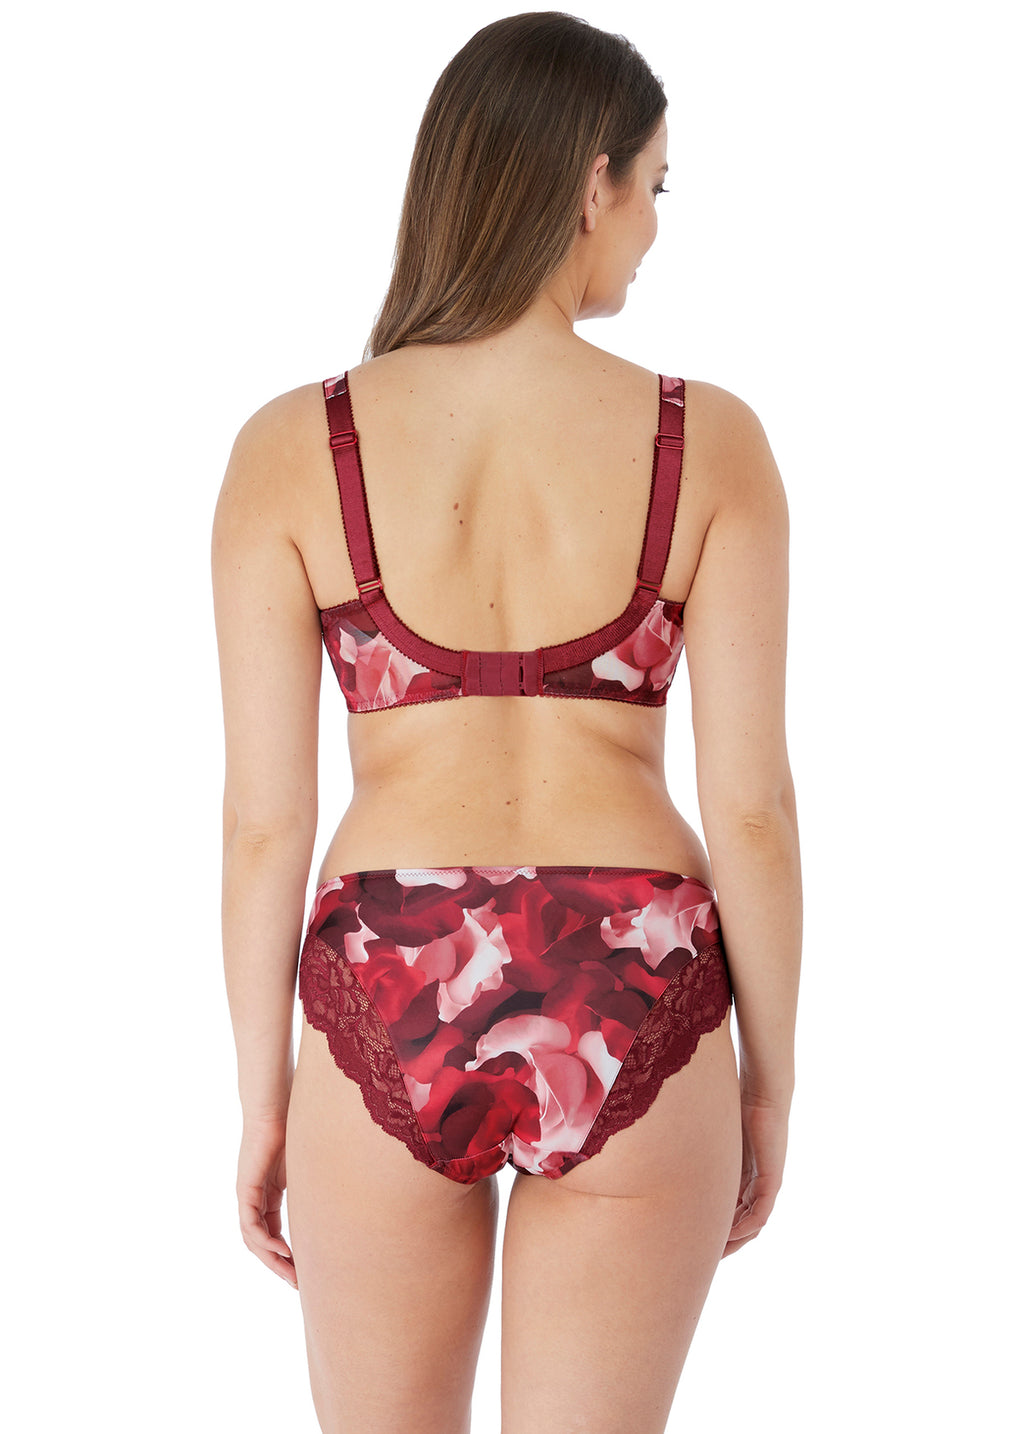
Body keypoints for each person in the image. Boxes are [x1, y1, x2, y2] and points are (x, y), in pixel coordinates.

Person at [212, 12, 800, 1433]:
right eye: (656, 186)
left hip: (387, 970)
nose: (654, 229)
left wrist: (266, 1098)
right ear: (591, 181)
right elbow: (753, 809)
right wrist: (767, 1085)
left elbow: (265, 824)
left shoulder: (295, 447)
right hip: (638, 970)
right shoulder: (706, 439)